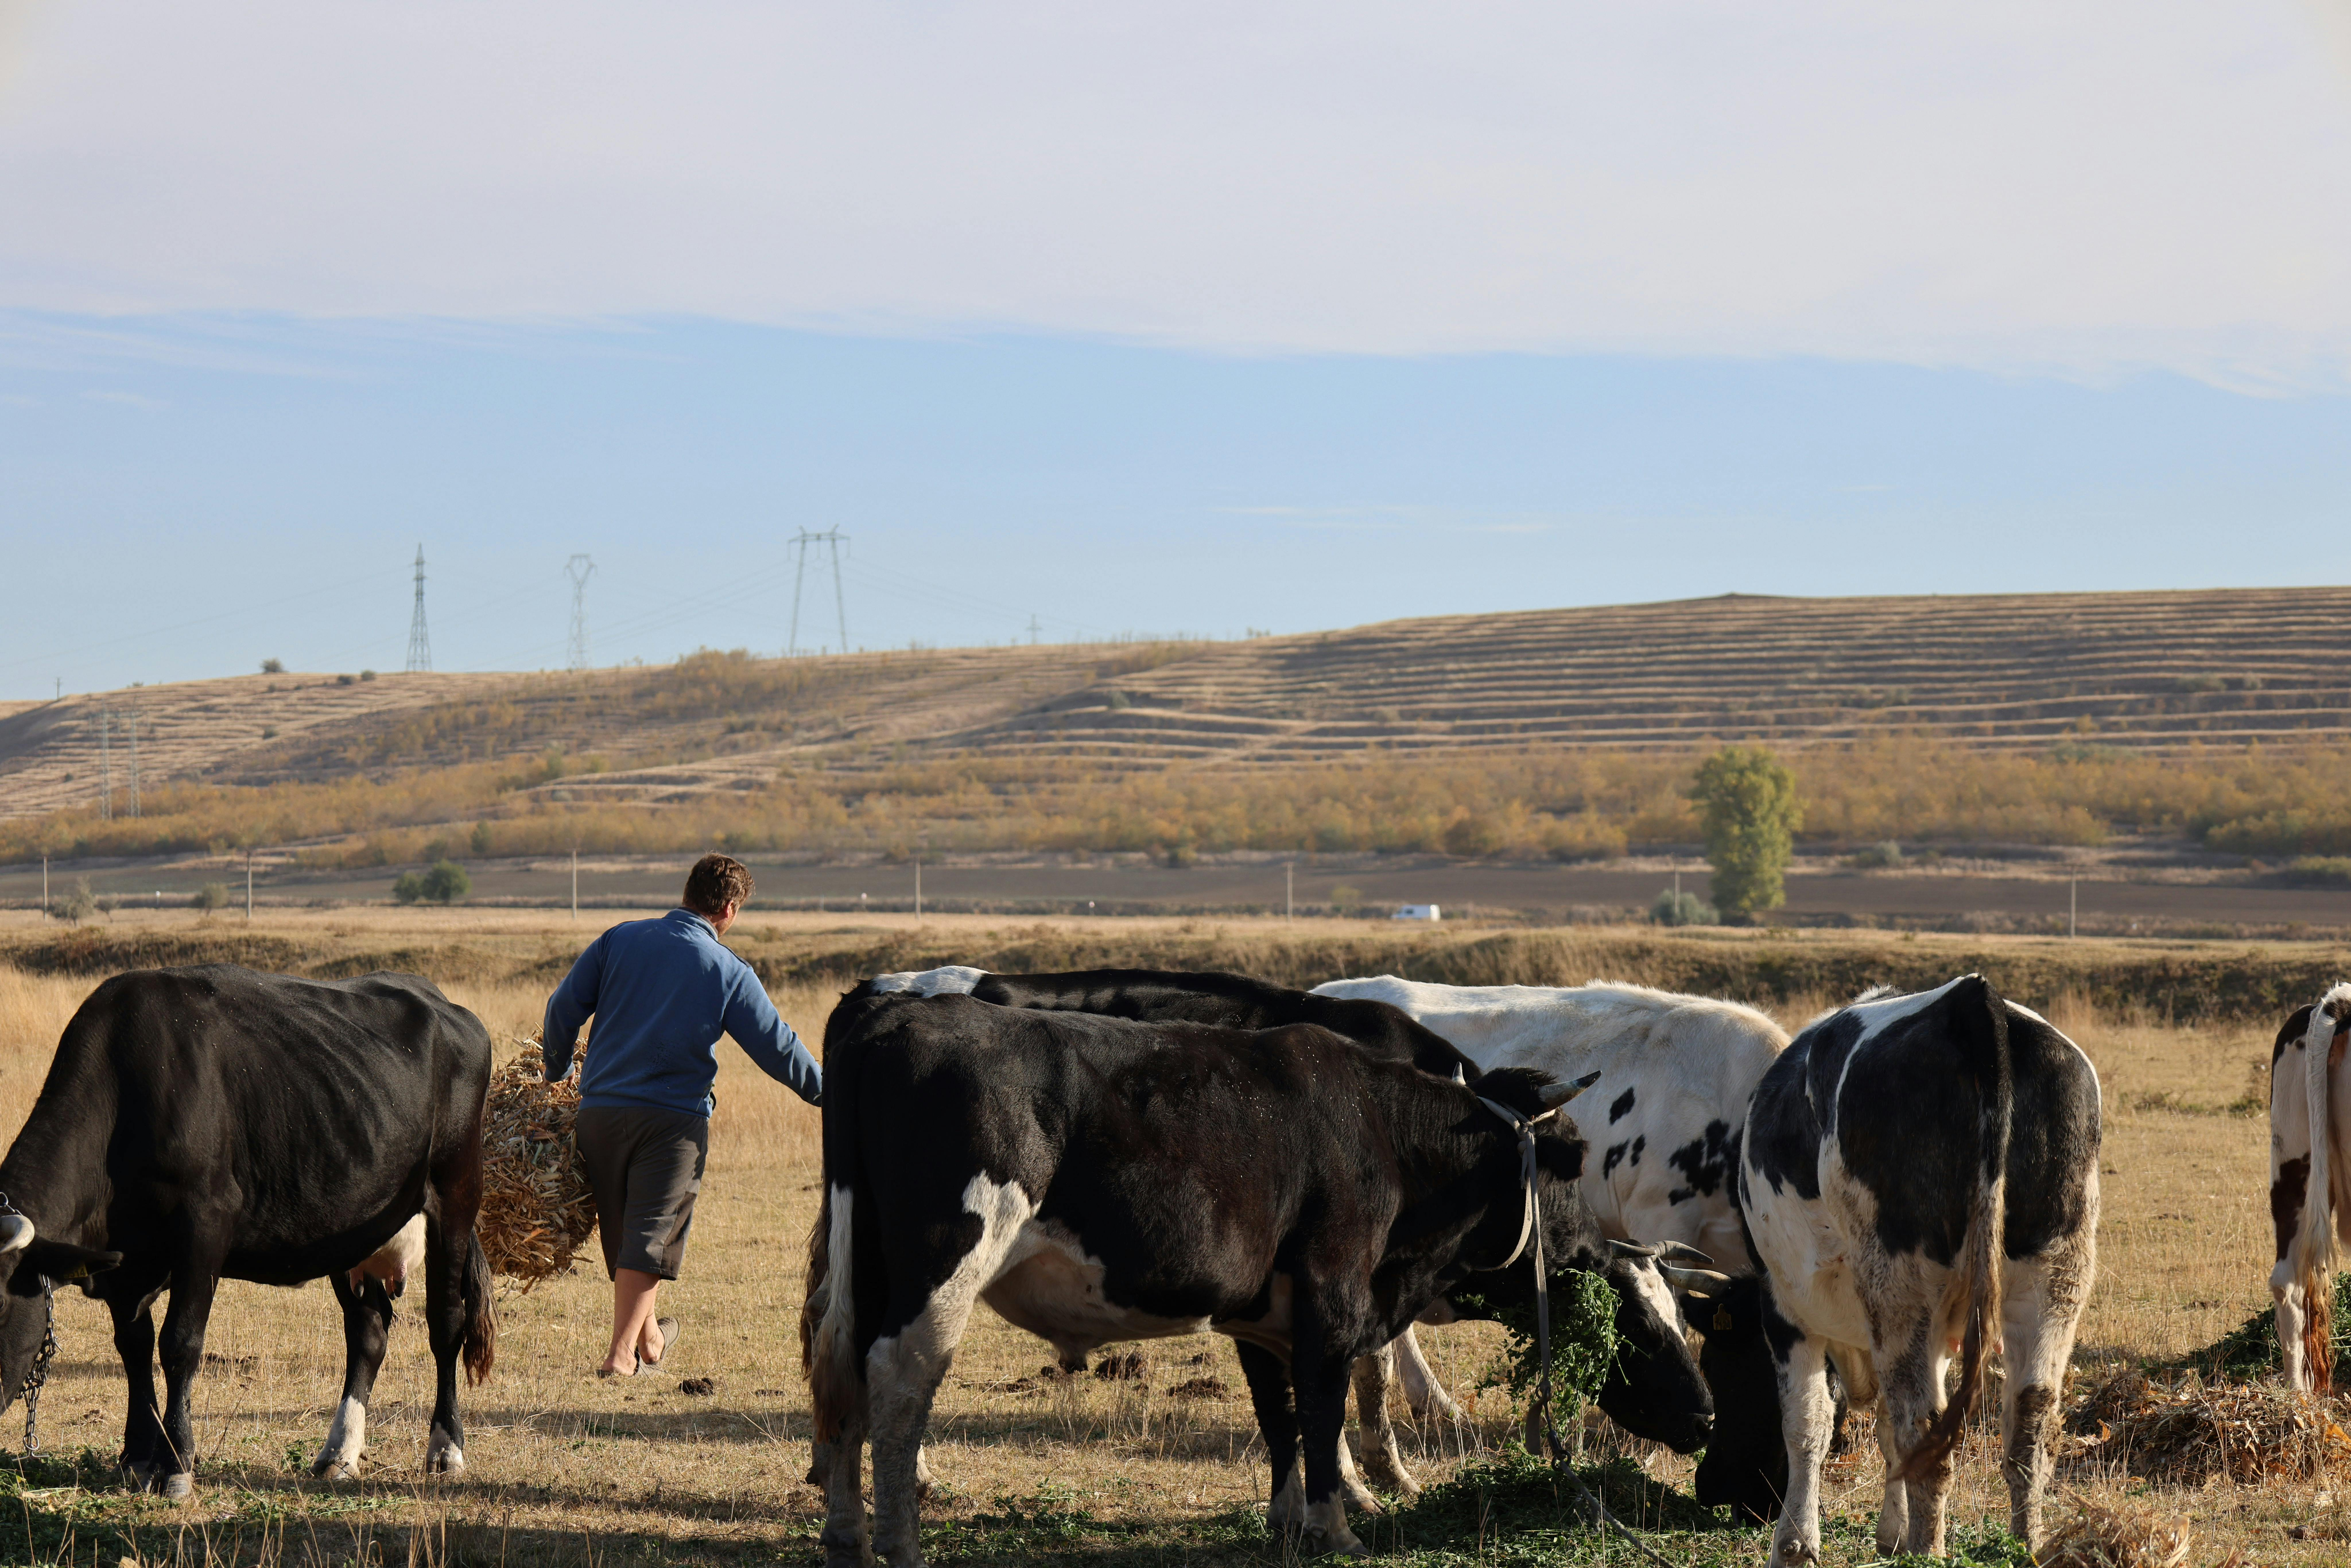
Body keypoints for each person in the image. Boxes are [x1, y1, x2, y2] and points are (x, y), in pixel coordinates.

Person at [542, 853, 822, 1377]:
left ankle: (650, 1342)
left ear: (688, 893)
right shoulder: (728, 969)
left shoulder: (618, 939)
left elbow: (562, 1009)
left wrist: (558, 1071)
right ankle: (620, 1357)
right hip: (671, 1121)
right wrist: (831, 1092)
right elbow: (778, 1048)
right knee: (651, 1233)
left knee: (624, 1230)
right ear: (730, 910)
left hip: (599, 1112)